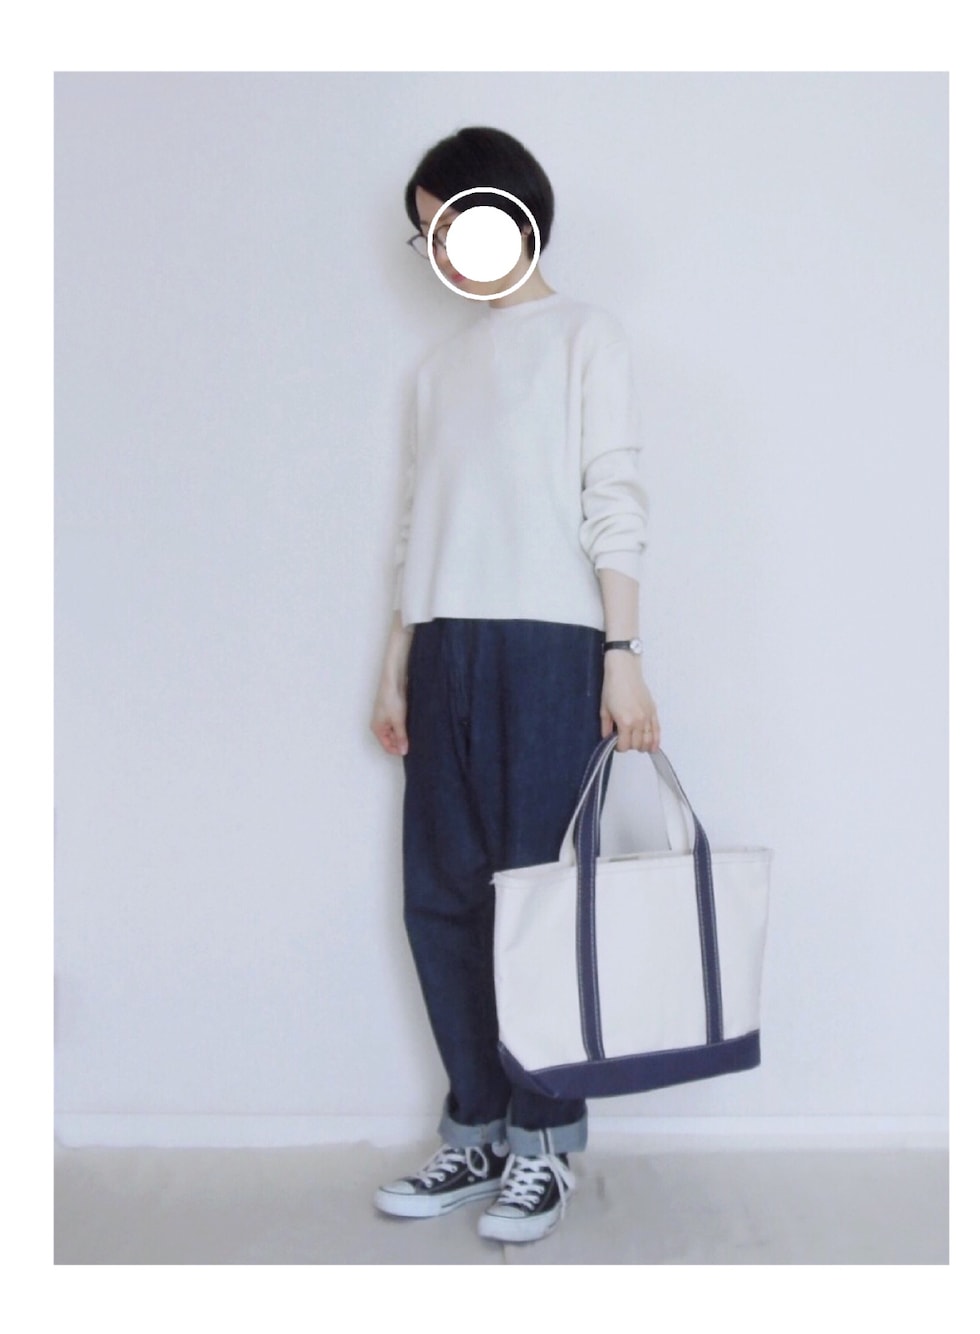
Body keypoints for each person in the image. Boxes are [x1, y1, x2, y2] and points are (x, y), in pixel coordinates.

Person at [369, 126, 660, 1245]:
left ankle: (546, 1145)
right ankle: (477, 1128)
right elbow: (417, 524)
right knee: (442, 897)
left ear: (507, 212)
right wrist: (397, 665)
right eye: (427, 234)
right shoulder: (437, 370)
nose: (440, 249)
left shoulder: (587, 335)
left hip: (551, 643)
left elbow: (613, 493)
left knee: (539, 898)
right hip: (444, 644)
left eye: (449, 223)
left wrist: (621, 653)